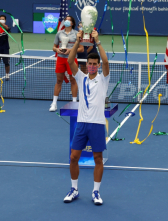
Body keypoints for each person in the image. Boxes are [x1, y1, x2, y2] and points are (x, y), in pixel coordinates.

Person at [63, 29, 110, 205]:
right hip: (82, 124)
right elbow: (69, 60)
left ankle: (96, 192)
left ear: (97, 66)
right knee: (74, 157)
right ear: (87, 64)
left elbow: (106, 61)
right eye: (89, 63)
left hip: (97, 124)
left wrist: (97, 42)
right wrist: (77, 41)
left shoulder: (103, 79)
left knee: (98, 158)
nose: (91, 66)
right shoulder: (81, 77)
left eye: (94, 64)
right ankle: (74, 189)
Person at [50, 16, 84, 112]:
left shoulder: (77, 34)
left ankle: (74, 103)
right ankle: (54, 103)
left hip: (72, 60)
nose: (66, 21)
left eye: (69, 20)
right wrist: (57, 49)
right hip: (60, 59)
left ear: (72, 23)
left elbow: (81, 49)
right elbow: (54, 47)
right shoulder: (59, 33)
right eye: (66, 20)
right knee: (59, 81)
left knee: (73, 81)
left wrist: (70, 50)